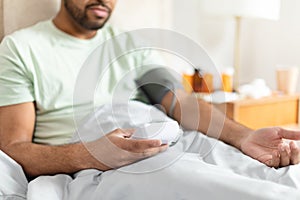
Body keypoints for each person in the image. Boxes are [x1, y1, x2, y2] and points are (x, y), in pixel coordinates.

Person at [0, 0, 299, 180]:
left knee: (269, 175)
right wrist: (90, 155)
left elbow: (181, 102)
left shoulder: (131, 44)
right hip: (95, 161)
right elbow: (13, 148)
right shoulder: (21, 48)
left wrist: (244, 136)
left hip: (161, 140)